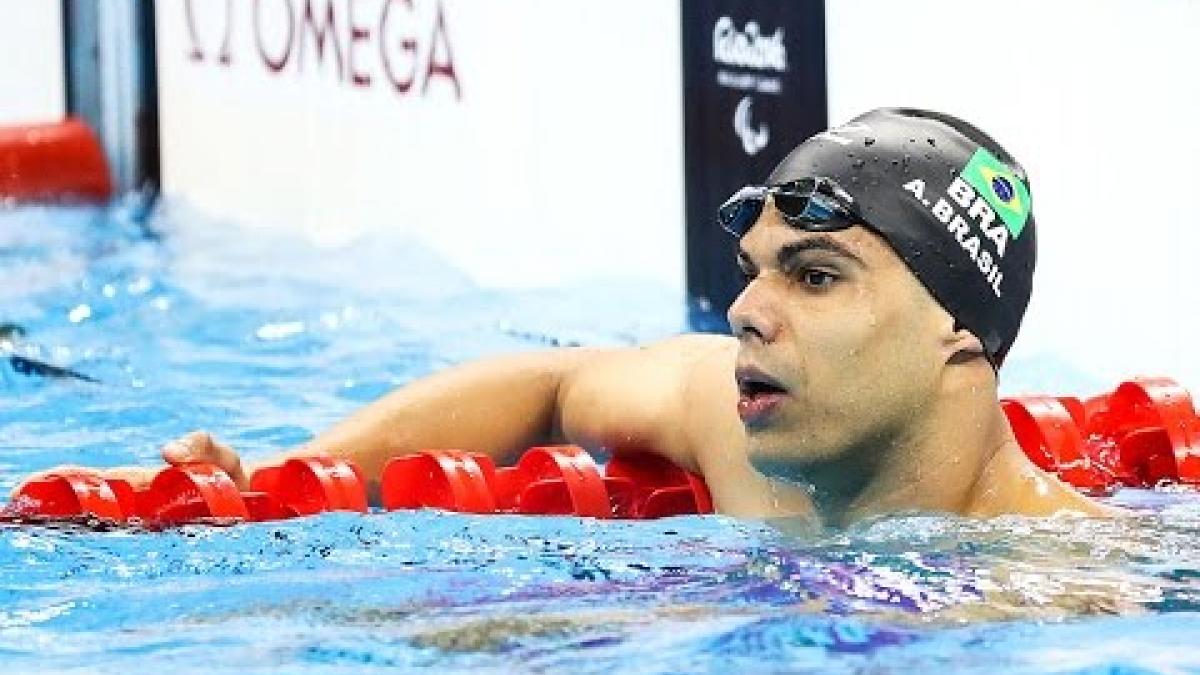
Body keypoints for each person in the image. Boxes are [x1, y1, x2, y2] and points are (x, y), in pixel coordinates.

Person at [17, 108, 1112, 525]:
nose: (745, 311)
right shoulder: (744, 443)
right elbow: (557, 383)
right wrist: (278, 478)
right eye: (754, 270)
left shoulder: (1072, 599)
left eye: (814, 277)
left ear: (961, 333)